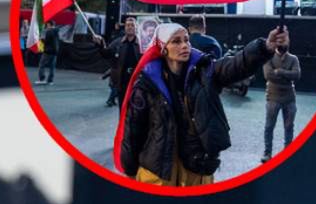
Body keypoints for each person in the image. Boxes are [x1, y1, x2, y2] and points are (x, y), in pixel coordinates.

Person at [114, 23, 284, 186]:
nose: (184, 45)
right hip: (159, 168)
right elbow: (133, 131)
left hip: (197, 165)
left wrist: (266, 47)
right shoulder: (146, 84)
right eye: (176, 41)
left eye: (186, 40)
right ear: (163, 48)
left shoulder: (205, 71)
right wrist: (129, 169)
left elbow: (236, 65)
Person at [261, 27, 301, 162]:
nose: (282, 43)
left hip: (290, 98)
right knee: (269, 126)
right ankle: (267, 153)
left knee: (289, 126)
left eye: (285, 39)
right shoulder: (269, 57)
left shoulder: (293, 59)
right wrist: (286, 74)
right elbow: (268, 75)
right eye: (280, 40)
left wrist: (279, 72)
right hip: (273, 97)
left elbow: (297, 75)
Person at [94, 16, 141, 107]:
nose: (130, 27)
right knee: (123, 108)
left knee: (136, 110)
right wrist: (99, 44)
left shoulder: (142, 44)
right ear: (125, 27)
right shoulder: (118, 43)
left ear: (136, 28)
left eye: (132, 25)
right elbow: (106, 53)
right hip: (122, 82)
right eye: (127, 25)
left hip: (137, 83)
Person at [34, 20, 60, 85]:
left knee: (41, 65)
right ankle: (50, 81)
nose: (46, 26)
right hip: (55, 51)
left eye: (47, 25)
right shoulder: (57, 31)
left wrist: (41, 40)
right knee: (52, 67)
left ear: (49, 24)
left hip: (48, 51)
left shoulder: (49, 31)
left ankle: (42, 79)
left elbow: (47, 42)